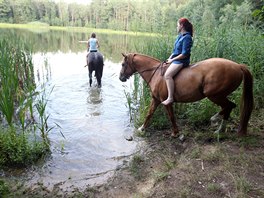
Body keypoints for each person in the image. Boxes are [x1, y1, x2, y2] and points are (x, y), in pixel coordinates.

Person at [162, 18, 194, 105]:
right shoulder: (180, 36)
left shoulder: (187, 37)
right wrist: (169, 59)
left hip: (182, 61)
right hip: (176, 60)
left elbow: (184, 54)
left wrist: (172, 60)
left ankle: (170, 98)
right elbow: (175, 51)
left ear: (182, 26)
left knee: (167, 75)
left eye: (177, 25)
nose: (176, 27)